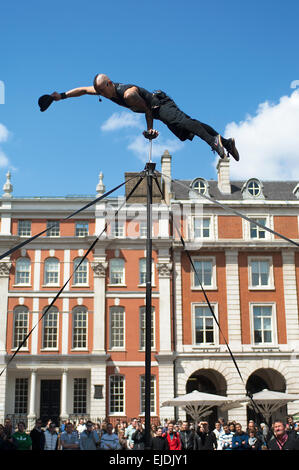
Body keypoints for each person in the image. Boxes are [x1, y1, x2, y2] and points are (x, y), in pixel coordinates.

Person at [42, 74, 240, 161]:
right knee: (188, 126)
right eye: (100, 93)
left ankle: (214, 141)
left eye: (103, 91)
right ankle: (227, 142)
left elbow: (147, 110)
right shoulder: (103, 90)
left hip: (160, 105)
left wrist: (150, 129)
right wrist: (62, 96)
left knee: (183, 122)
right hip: (156, 108)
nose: (102, 95)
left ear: (110, 84)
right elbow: (83, 90)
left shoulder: (127, 94)